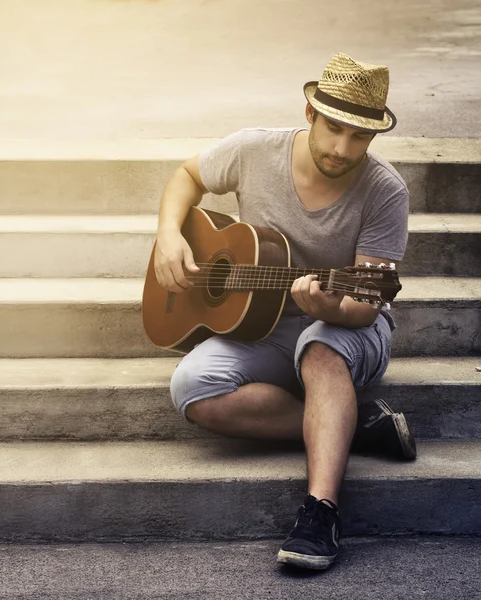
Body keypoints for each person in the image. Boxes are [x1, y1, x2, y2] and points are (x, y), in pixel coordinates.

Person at [153, 52, 416, 570]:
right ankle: (354, 425)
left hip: (348, 326)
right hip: (263, 322)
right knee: (192, 388)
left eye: (359, 138)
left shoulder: (385, 191)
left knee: (319, 345)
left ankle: (321, 513)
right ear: (310, 113)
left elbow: (366, 306)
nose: (344, 149)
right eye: (335, 129)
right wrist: (167, 236)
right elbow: (187, 174)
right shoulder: (255, 150)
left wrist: (332, 311)